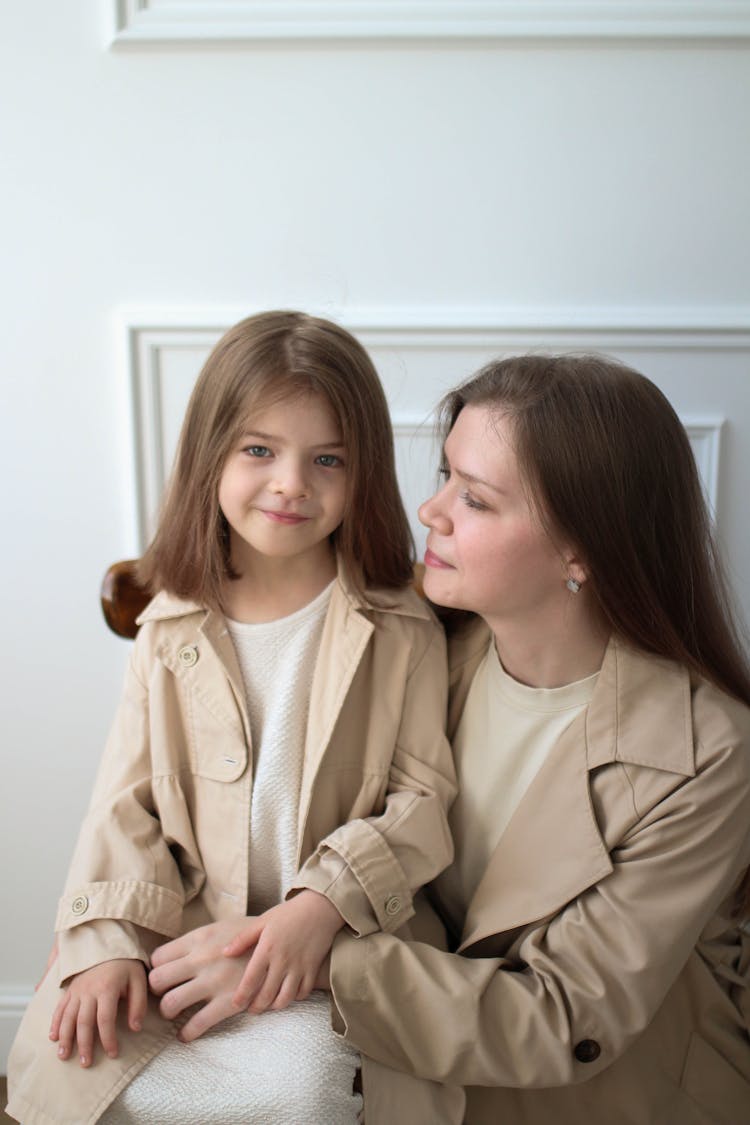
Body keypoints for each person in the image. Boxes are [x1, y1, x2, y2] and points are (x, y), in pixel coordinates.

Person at [6, 311, 463, 1125]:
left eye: (327, 459)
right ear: (209, 453)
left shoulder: (399, 624)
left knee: (297, 1095)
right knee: (84, 1069)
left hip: (333, 947)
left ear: (363, 474)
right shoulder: (172, 624)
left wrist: (316, 907)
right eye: (260, 450)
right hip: (182, 933)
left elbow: (423, 806)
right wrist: (108, 942)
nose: (292, 482)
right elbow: (124, 804)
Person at [317, 353, 750, 1123]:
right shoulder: (420, 657)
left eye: (475, 500)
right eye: (446, 475)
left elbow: (562, 1016)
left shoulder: (711, 754)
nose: (431, 511)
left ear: (582, 550)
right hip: (425, 1077)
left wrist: (321, 958)